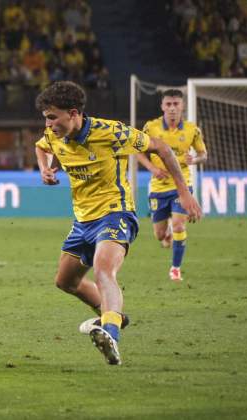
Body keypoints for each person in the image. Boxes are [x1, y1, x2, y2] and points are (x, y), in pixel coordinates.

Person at [34, 81, 201, 365]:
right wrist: (45, 170)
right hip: (83, 219)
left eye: (52, 117)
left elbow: (159, 146)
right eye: (46, 118)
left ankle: (110, 333)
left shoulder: (111, 132)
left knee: (103, 270)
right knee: (65, 282)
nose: (48, 124)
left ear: (73, 113)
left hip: (116, 213)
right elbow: (41, 147)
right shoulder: (53, 136)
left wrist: (183, 191)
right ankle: (114, 316)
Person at [136, 89, 207, 282]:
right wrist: (152, 168)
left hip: (181, 185)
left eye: (176, 104)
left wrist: (195, 159)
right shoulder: (151, 127)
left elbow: (203, 154)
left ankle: (175, 268)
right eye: (168, 104)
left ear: (182, 106)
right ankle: (165, 233)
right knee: (160, 235)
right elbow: (137, 151)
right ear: (162, 107)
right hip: (158, 187)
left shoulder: (193, 129)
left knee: (178, 224)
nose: (172, 108)